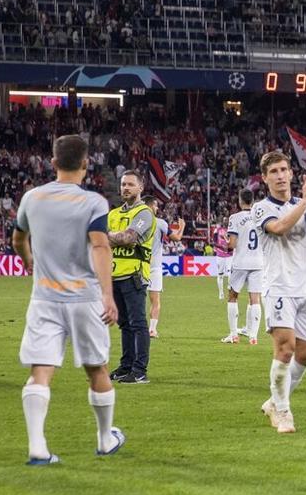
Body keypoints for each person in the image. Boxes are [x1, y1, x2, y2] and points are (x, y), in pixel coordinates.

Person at [15, 134, 125, 465]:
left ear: (52, 163)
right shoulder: (93, 202)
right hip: (84, 298)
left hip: (45, 297)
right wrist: (108, 295)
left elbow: (19, 239)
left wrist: (29, 261)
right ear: (86, 164)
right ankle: (105, 439)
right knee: (97, 368)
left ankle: (37, 447)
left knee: (40, 370)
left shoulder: (32, 198)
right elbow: (100, 245)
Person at [255, 155, 306, 434]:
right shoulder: (262, 208)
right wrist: (305, 201)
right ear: (264, 177)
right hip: (279, 288)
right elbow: (278, 228)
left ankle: (273, 402)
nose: (280, 175)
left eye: (283, 170)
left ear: (291, 174)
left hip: (305, 289)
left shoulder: (304, 203)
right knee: (285, 349)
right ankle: (283, 412)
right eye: (273, 171)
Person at [107, 170, 154, 385]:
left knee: (138, 323)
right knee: (124, 324)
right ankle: (126, 366)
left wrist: (108, 236)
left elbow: (129, 238)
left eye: (130, 184)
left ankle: (140, 370)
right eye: (123, 184)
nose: (125, 188)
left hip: (134, 275)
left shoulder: (144, 213)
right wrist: (113, 238)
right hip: (115, 275)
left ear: (140, 188)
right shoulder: (113, 214)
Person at [223, 189, 264, 345]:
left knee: (232, 296)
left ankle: (234, 335)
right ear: (252, 201)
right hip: (258, 263)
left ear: (240, 201)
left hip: (240, 262)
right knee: (255, 299)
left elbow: (232, 244)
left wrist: (226, 242)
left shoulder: (235, 218)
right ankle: (253, 337)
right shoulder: (260, 218)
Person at [143, 196, 182, 338]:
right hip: (154, 267)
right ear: (150, 206)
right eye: (155, 205)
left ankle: (136, 328)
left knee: (137, 300)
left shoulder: (136, 222)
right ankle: (152, 330)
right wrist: (182, 226)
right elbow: (177, 238)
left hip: (138, 265)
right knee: (155, 300)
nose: (157, 208)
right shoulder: (160, 223)